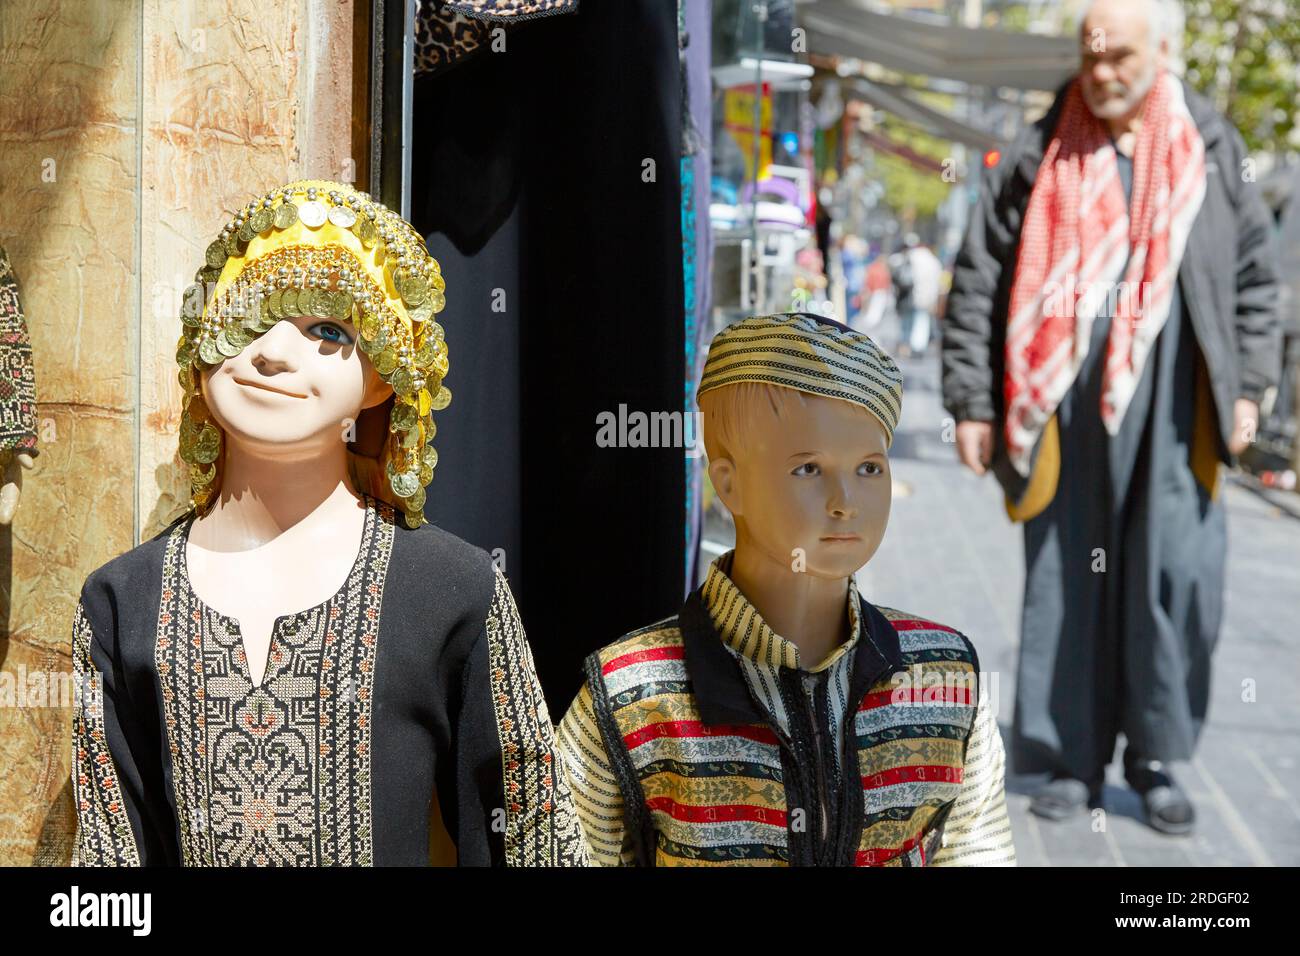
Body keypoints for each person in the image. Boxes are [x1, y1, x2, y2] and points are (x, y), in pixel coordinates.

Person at [71, 179, 587, 866]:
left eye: (327, 330)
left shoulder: (452, 591)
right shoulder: (121, 601)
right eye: (248, 315)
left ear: (386, 374)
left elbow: (532, 841)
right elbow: (110, 864)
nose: (272, 353)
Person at [942, 0, 1280, 835]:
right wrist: (972, 402)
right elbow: (980, 271)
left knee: (1170, 580)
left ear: (1163, 51)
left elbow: (1254, 279)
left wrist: (1250, 387)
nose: (1102, 72)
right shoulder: (1040, 142)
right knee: (1066, 577)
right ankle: (1070, 756)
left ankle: (1154, 758)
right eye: (1091, 56)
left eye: (1120, 56)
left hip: (1176, 407)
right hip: (1064, 412)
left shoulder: (1209, 140)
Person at [557, 311, 1016, 866]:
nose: (845, 499)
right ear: (729, 484)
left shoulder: (944, 675)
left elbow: (978, 852)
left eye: (870, 468)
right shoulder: (632, 693)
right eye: (808, 469)